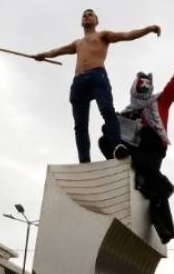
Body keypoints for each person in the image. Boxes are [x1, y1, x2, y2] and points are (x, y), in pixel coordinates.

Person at [33, 9, 161, 163]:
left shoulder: (102, 35)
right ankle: (84, 160)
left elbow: (126, 35)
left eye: (90, 14)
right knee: (80, 125)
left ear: (96, 21)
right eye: (84, 15)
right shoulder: (78, 43)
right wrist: (43, 55)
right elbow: (58, 51)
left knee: (107, 111)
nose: (86, 16)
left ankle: (117, 146)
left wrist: (148, 29)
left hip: (97, 76)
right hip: (79, 81)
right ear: (81, 22)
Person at [98, 39, 174, 243]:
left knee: (147, 137)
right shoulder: (129, 111)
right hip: (135, 148)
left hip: (153, 147)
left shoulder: (160, 101)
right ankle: (125, 161)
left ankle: (161, 184)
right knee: (105, 136)